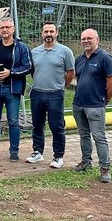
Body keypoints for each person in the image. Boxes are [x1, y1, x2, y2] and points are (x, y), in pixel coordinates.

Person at [0, 17, 32, 161]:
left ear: (13, 29)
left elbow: (28, 66)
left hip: (12, 89)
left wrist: (11, 72)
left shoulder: (22, 47)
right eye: (2, 28)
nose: (5, 30)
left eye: (7, 27)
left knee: (13, 121)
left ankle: (14, 151)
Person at [26, 22, 75, 169]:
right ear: (42, 33)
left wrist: (61, 86)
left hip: (55, 94)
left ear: (56, 33)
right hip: (37, 93)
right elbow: (33, 71)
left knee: (56, 126)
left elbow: (70, 72)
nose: (48, 34)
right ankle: (37, 152)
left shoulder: (65, 51)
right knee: (37, 124)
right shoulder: (34, 52)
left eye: (51, 31)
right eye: (46, 31)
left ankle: (58, 156)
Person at [73, 28, 112, 183]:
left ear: (97, 39)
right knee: (83, 134)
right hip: (78, 104)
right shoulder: (79, 59)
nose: (86, 41)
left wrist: (106, 99)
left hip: (95, 105)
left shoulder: (105, 58)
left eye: (89, 38)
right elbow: (77, 79)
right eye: (83, 38)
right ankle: (86, 162)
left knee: (99, 137)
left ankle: (105, 169)